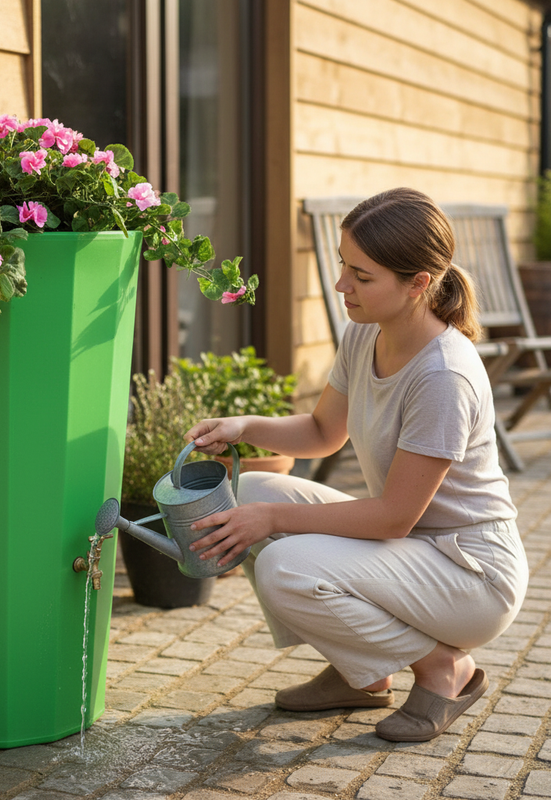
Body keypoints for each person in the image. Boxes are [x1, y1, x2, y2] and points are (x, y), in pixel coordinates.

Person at [184, 187, 529, 743]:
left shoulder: (444, 376)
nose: (343, 285)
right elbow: (323, 432)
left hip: (471, 575)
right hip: (414, 549)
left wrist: (274, 521)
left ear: (418, 284)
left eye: (362, 276)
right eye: (344, 265)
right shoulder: (365, 332)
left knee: (284, 564)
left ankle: (444, 668)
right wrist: (244, 427)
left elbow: (393, 517)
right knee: (247, 492)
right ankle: (363, 675)